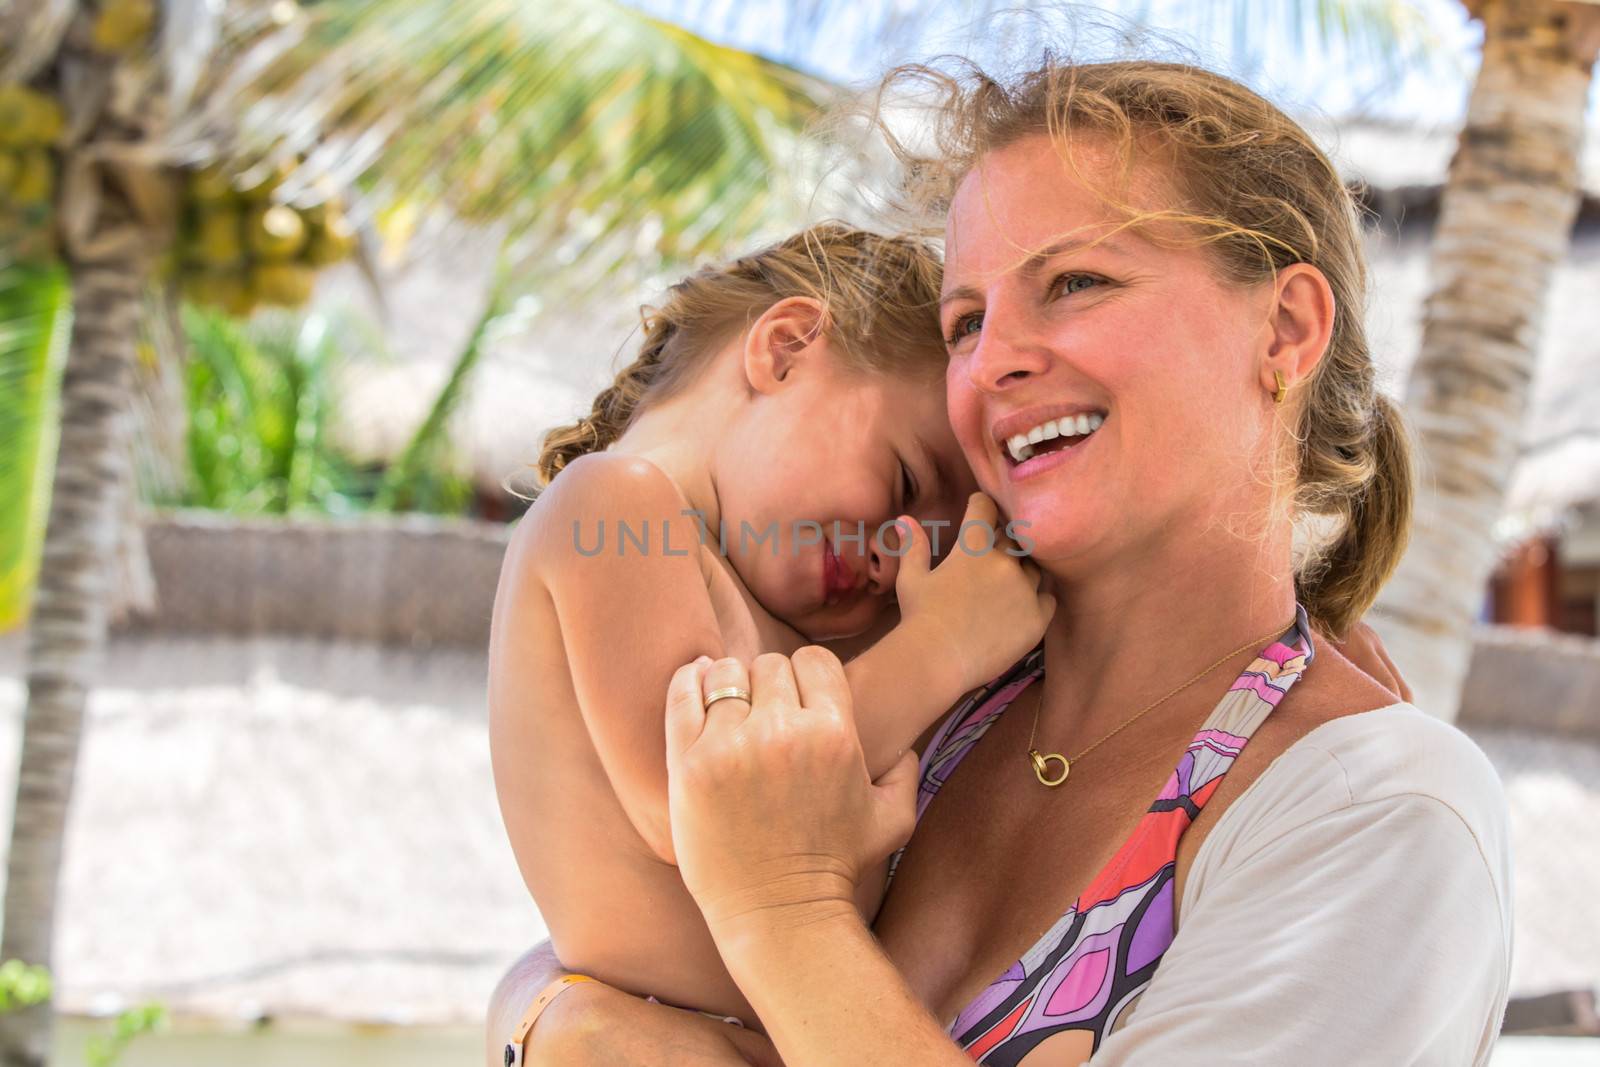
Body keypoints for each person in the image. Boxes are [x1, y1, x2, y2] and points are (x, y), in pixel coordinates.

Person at [492, 59, 1513, 1066]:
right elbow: (619, 918)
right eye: (966, 321)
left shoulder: (1370, 810)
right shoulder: (949, 700)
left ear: (1284, 327)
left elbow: (733, 899)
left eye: (1075, 282)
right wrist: (549, 1017)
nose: (992, 362)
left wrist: (786, 912)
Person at [488, 223, 1055, 1044]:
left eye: (926, 551)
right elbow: (704, 800)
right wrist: (945, 646)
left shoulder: (779, 612)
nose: (897, 556)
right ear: (786, 347)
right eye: (904, 480)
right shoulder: (615, 508)